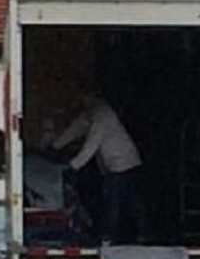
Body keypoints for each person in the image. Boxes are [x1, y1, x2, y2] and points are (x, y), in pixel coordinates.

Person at [49, 94, 147, 245]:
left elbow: (91, 144)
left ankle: (110, 237)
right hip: (118, 164)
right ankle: (138, 233)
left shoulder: (103, 115)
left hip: (122, 164)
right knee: (128, 200)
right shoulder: (92, 112)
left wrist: (73, 166)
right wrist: (56, 145)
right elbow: (76, 129)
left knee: (114, 202)